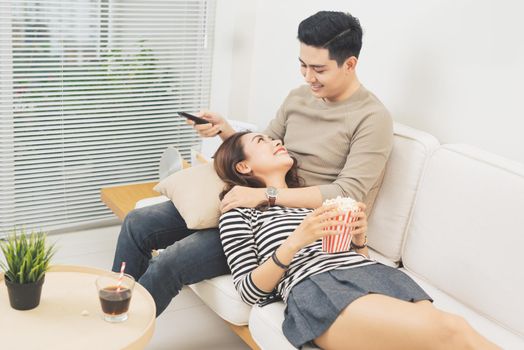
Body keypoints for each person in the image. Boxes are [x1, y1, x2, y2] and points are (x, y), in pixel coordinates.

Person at [113, 11, 389, 316]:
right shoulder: (299, 97)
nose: (308, 77)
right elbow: (264, 143)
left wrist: (265, 196)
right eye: (302, 65)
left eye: (318, 69)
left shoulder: (371, 118)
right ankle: (113, 305)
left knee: (171, 261)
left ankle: (125, 329)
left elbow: (348, 193)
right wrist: (225, 131)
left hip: (287, 224)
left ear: (350, 64)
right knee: (138, 223)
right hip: (255, 194)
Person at [214, 131, 500, 350]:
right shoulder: (239, 213)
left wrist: (360, 240)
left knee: (447, 336)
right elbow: (249, 292)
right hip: (317, 287)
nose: (275, 140)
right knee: (452, 329)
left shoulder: (311, 200)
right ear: (242, 167)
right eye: (262, 141)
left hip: (373, 275)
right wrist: (294, 242)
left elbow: (353, 259)